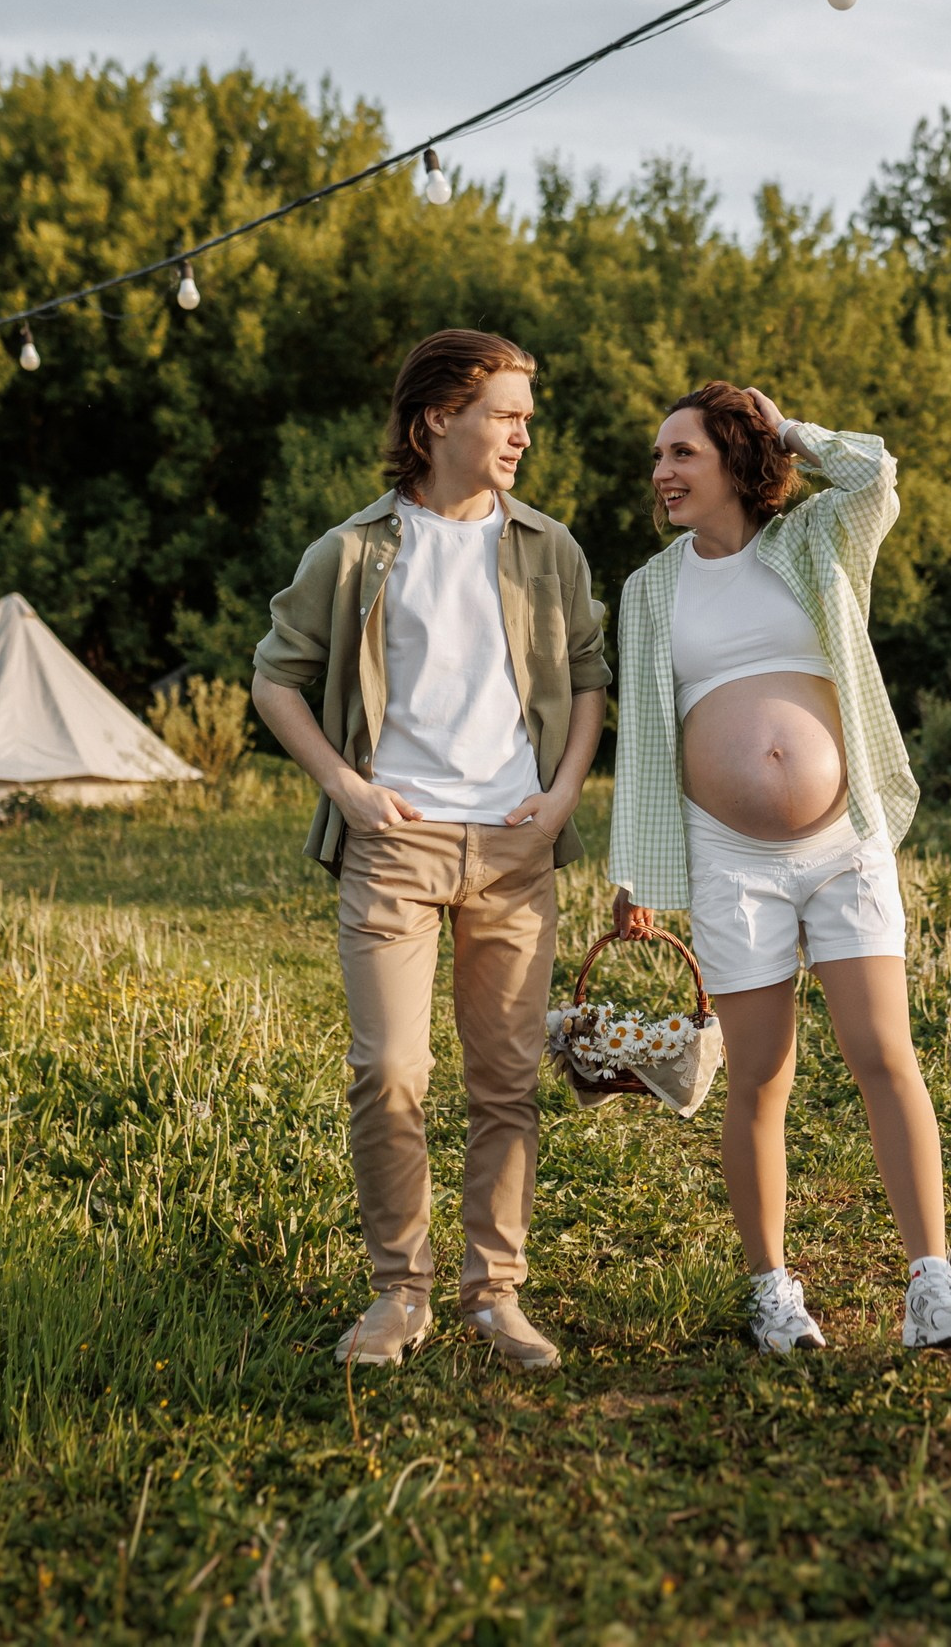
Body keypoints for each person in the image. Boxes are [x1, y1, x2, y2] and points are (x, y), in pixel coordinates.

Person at [251, 329, 610, 1373]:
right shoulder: (353, 551)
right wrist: (348, 788)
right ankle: (396, 1295)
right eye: (505, 415)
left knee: (505, 1083)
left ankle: (494, 1295)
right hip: (395, 850)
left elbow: (587, 678)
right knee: (389, 1074)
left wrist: (560, 797)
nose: (522, 435)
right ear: (435, 420)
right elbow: (276, 677)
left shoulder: (550, 547)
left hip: (513, 848)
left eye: (525, 417)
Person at [610, 382, 951, 1355]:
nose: (661, 473)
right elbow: (647, 740)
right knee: (760, 1075)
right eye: (658, 457)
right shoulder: (651, 589)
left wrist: (785, 429)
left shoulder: (814, 540)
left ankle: (932, 1284)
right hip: (727, 856)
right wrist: (637, 877)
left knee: (882, 1055)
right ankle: (772, 1290)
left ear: (736, 461)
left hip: (841, 845)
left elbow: (875, 473)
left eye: (682, 453)